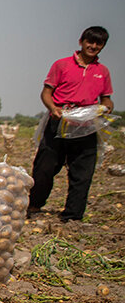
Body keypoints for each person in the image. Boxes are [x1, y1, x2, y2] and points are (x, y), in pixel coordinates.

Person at [28, 26, 113, 222]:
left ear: (102, 46)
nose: (93, 46)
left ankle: (73, 216)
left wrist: (105, 108)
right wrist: (54, 108)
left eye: (98, 43)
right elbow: (46, 93)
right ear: (81, 42)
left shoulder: (102, 72)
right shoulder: (62, 65)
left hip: (86, 127)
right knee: (44, 168)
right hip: (59, 123)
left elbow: (106, 99)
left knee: (82, 173)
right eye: (89, 42)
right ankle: (34, 205)